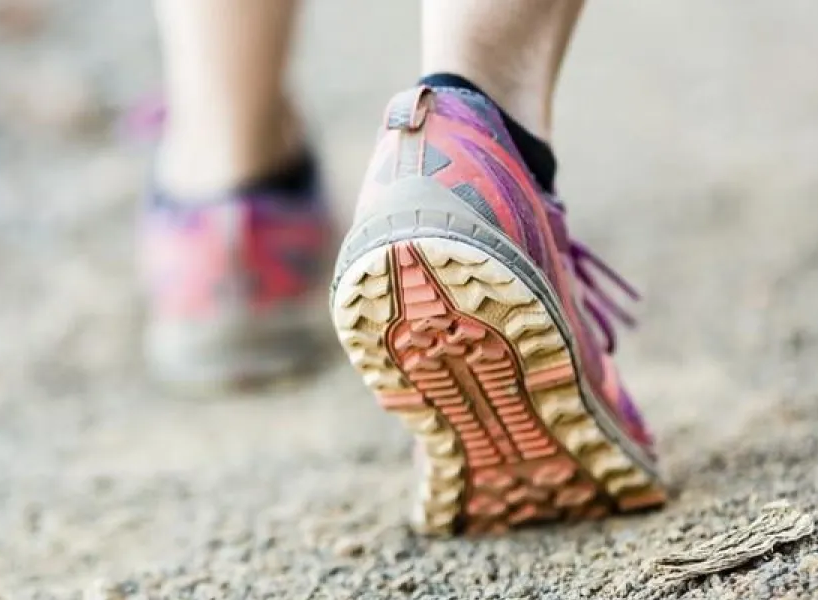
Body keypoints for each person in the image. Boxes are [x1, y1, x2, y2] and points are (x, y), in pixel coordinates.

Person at [139, 0, 667, 535]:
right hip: (474, 186)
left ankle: (224, 201)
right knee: (478, 89)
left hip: (210, 246)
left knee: (222, 151)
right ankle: (476, 138)